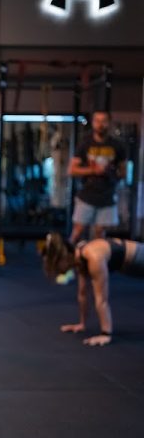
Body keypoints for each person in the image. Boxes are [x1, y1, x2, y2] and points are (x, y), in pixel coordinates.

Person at [42, 232, 144, 346]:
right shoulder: (80, 259)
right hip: (131, 266)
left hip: (139, 258)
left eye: (56, 265)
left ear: (63, 257)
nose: (57, 270)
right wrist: (82, 324)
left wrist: (106, 334)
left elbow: (102, 299)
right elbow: (83, 294)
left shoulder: (93, 257)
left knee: (100, 297)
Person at [68, 111, 126, 246]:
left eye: (103, 121)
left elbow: (123, 173)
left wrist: (109, 171)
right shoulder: (85, 144)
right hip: (87, 194)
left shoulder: (117, 146)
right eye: (97, 121)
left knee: (100, 234)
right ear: (93, 123)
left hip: (107, 195)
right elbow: (72, 170)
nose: (100, 124)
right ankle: (68, 261)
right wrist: (93, 170)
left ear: (109, 123)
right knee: (77, 232)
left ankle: (94, 264)